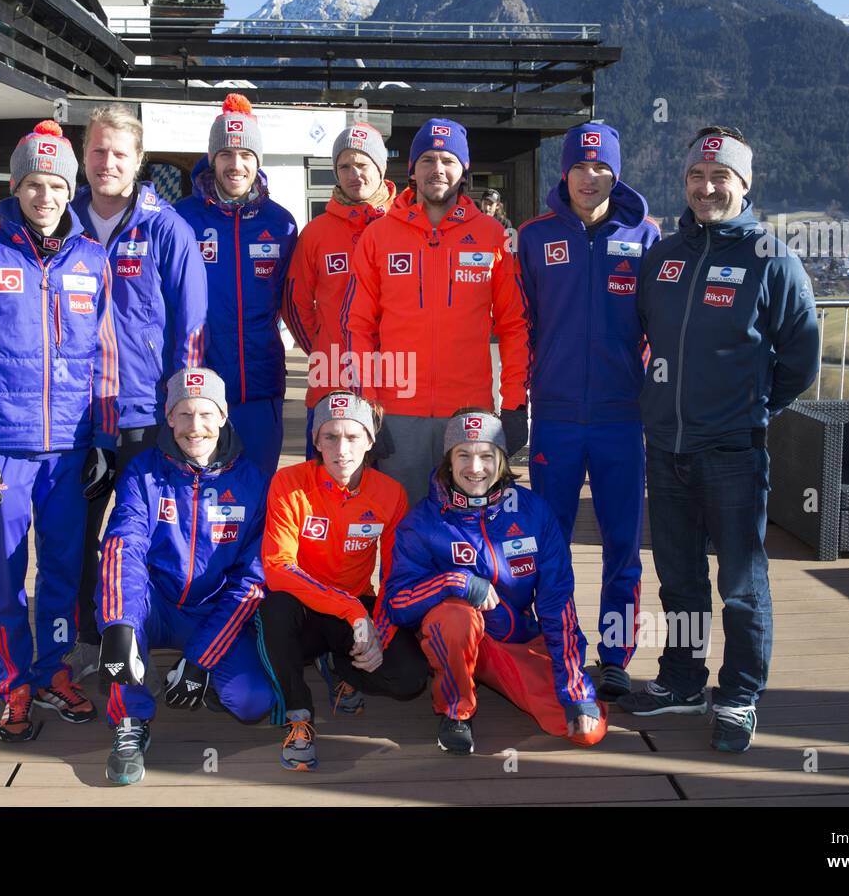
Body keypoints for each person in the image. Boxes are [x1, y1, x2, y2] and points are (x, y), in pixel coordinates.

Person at [619, 126, 819, 753]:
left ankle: (739, 694)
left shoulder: (771, 257)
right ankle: (682, 681)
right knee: (678, 579)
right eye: (697, 178)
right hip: (666, 446)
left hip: (732, 449)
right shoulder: (664, 253)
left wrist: (753, 408)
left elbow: (801, 357)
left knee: (740, 583)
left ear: (744, 184)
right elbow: (649, 331)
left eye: (720, 178)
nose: (707, 188)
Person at [0, 120, 119, 742]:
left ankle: (52, 671)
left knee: (65, 571)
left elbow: (105, 355)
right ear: (15, 186)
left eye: (56, 185)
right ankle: (13, 681)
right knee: (5, 574)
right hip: (3, 451)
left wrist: (103, 439)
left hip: (69, 451)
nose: (45, 196)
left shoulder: (93, 260)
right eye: (34, 184)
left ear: (70, 189)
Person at [517, 123, 661, 702]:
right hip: (553, 414)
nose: (590, 177)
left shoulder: (646, 237)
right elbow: (516, 320)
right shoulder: (534, 237)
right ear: (564, 172)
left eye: (601, 168)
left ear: (616, 173)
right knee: (548, 537)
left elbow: (661, 326)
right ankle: (559, 641)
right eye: (580, 166)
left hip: (620, 417)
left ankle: (616, 654)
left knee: (621, 541)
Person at [67, 102, 208, 682]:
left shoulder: (165, 227)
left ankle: (141, 631)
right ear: (83, 155)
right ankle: (83, 636)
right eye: (98, 151)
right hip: (72, 415)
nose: (107, 162)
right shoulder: (59, 220)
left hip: (144, 414)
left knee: (145, 531)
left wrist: (184, 408)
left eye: (119, 153)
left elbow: (191, 328)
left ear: (138, 160)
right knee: (74, 535)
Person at [381, 410, 607, 754]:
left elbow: (557, 602)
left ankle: (508, 680)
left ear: (501, 459)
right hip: (453, 638)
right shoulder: (423, 522)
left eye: (487, 455)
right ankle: (456, 711)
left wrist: (576, 692)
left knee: (583, 730)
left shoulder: (533, 513)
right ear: (448, 459)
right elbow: (398, 604)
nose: (475, 468)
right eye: (463, 455)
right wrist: (454, 582)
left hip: (512, 639)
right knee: (455, 616)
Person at [96, 367, 277, 785]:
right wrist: (119, 626)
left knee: (253, 702)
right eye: (184, 414)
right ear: (169, 417)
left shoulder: (253, 482)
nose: (195, 428)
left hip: (212, 608)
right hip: (154, 602)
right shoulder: (144, 473)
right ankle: (130, 721)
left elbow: (251, 581)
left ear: (224, 415)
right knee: (121, 621)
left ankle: (199, 676)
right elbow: (123, 547)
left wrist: (200, 660)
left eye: (206, 414)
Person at [347, 119, 530, 506]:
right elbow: (358, 326)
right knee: (401, 530)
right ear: (412, 169)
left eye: (448, 159)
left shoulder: (493, 236)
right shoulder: (379, 236)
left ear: (464, 169)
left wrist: (513, 404)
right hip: (397, 413)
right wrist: (366, 404)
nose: (437, 169)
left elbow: (515, 326)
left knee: (468, 529)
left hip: (468, 413)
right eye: (427, 159)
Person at [258, 390, 427, 771]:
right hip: (303, 608)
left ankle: (341, 666)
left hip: (355, 610)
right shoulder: (289, 483)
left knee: (410, 679)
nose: (341, 449)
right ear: (315, 440)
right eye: (330, 436)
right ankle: (298, 716)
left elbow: (394, 575)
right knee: (275, 608)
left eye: (353, 437)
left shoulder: (390, 493)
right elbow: (278, 568)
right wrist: (351, 610)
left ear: (370, 440)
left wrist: (378, 629)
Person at [175, 94, 298, 478]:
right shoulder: (180, 219)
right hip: (201, 385)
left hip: (261, 385)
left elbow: (293, 299)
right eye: (226, 154)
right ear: (212, 159)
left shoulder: (281, 223)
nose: (236, 164)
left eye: (246, 154)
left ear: (258, 161)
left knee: (259, 491)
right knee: (204, 495)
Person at [282, 122, 396, 457]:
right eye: (344, 166)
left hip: (397, 379)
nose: (353, 174)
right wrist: (323, 346)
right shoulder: (317, 232)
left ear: (380, 168)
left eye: (362, 164)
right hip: (332, 380)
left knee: (391, 492)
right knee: (324, 484)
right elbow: (294, 302)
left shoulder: (406, 224)